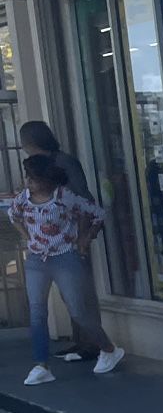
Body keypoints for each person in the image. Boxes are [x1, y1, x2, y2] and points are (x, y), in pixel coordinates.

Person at [5, 155, 125, 384]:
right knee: (37, 312)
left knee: (78, 310)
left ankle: (108, 348)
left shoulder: (64, 197)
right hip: (36, 260)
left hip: (65, 257)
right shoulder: (24, 198)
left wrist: (85, 238)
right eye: (27, 177)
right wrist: (28, 238)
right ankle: (41, 364)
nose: (28, 182)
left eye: (33, 178)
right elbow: (13, 216)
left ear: (46, 179)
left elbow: (97, 213)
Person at [18, 121, 105, 361]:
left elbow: (84, 199)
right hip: (48, 243)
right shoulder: (40, 167)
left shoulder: (63, 163)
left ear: (30, 142)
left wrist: (85, 237)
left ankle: (97, 345)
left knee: (80, 295)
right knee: (67, 295)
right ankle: (82, 342)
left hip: (71, 238)